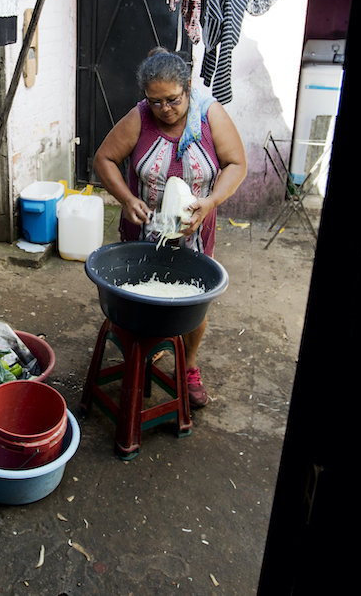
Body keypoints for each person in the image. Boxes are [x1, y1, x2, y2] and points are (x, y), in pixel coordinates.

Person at [93, 47, 248, 407]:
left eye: (173, 100)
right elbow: (105, 158)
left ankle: (188, 366)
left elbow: (236, 164)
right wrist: (127, 199)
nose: (165, 109)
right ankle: (144, 350)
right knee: (142, 300)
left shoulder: (211, 117)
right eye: (156, 101)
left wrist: (209, 203)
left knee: (193, 307)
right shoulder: (140, 118)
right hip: (144, 232)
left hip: (194, 233)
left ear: (188, 89)